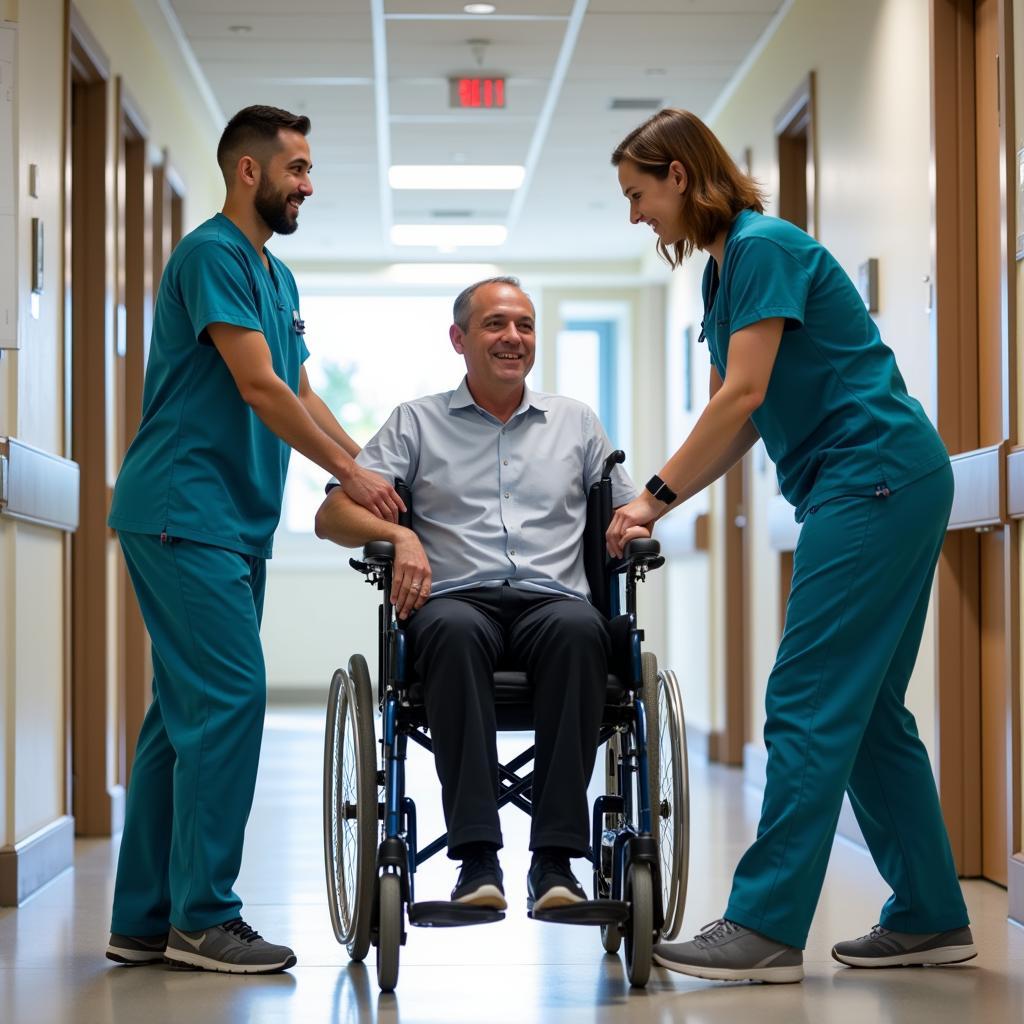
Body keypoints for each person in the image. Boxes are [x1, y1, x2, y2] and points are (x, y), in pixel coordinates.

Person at [606, 109, 975, 984]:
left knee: (806, 699)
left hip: (873, 476)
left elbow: (740, 399)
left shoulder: (765, 247)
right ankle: (930, 913)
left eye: (638, 194)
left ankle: (765, 927)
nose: (636, 215)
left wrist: (652, 496)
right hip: (873, 481)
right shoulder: (720, 277)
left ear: (681, 177)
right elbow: (743, 416)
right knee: (869, 712)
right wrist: (660, 500)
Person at [104, 105, 403, 975]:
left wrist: (372, 468)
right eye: (297, 169)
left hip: (234, 521)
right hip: (182, 510)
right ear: (249, 172)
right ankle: (205, 917)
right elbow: (259, 390)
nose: (308, 185)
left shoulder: (277, 277)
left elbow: (302, 395)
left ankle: (144, 917)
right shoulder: (211, 255)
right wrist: (349, 480)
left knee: (180, 717)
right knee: (231, 700)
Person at [315, 277, 648, 913]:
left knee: (584, 633)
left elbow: (628, 510)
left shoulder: (576, 422)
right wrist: (398, 535)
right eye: (495, 325)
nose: (512, 338)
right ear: (459, 339)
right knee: (450, 632)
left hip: (554, 601)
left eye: (523, 325)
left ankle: (555, 863)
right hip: (457, 600)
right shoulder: (415, 423)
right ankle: (476, 862)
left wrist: (633, 525)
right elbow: (331, 517)